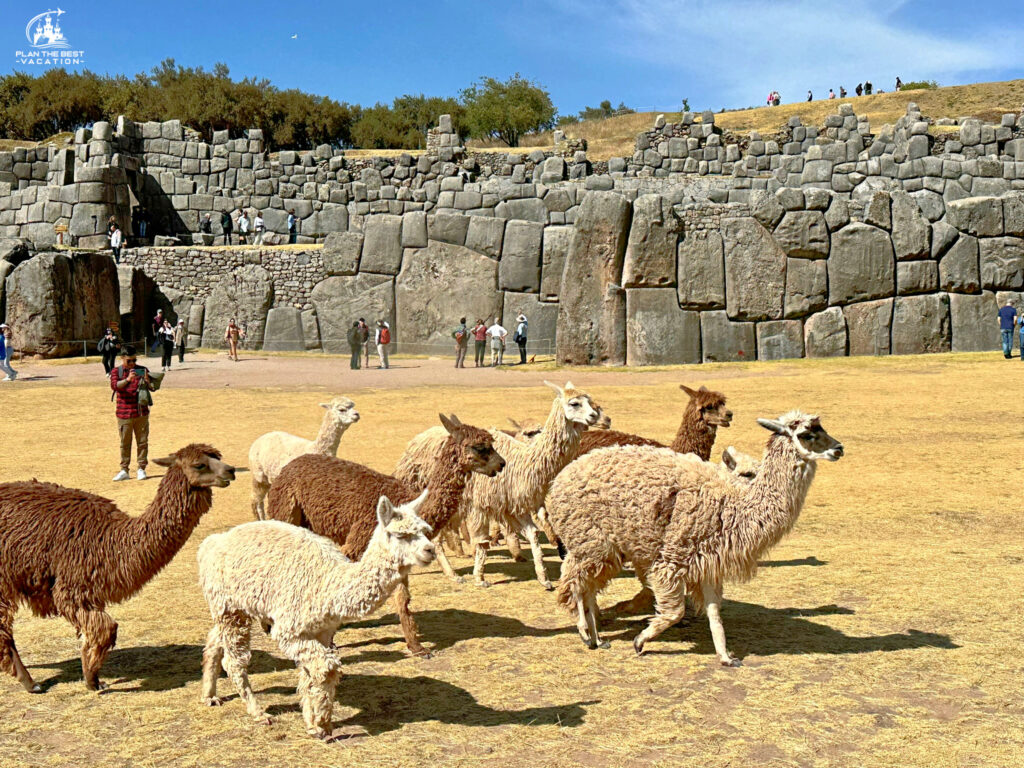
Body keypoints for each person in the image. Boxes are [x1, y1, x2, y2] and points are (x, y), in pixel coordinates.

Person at [110, 346, 150, 482]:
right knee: (125, 443)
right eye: (129, 361)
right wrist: (128, 379)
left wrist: (148, 381)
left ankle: (141, 468)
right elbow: (115, 386)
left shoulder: (142, 370)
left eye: (134, 360)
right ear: (122, 358)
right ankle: (124, 470)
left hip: (141, 412)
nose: (132, 363)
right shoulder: (117, 371)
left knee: (142, 442)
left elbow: (153, 388)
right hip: (124, 413)